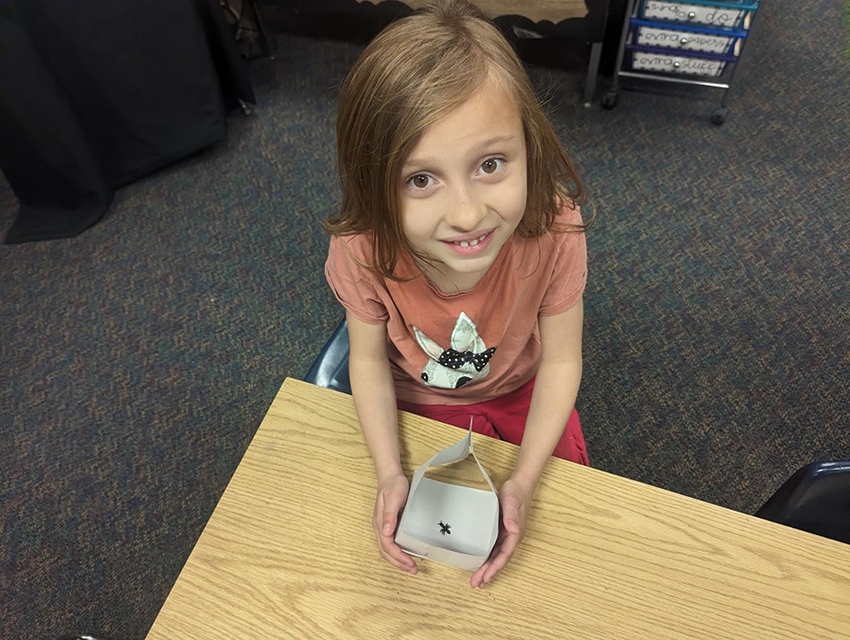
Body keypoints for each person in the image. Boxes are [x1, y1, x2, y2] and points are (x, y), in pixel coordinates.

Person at [323, 0, 590, 589]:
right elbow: (366, 359)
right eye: (421, 179)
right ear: (375, 184)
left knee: (565, 544)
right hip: (413, 404)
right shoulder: (363, 247)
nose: (468, 214)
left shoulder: (556, 229)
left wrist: (521, 482)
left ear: (530, 147)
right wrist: (390, 472)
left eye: (491, 163)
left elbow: (564, 359)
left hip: (523, 392)